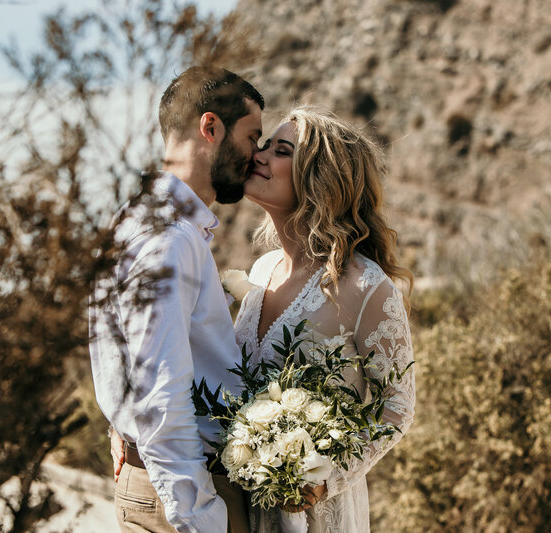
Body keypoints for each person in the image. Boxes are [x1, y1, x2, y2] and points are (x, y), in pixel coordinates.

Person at [89, 66, 264, 533]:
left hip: (163, 485)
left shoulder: (133, 219)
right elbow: (161, 396)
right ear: (211, 128)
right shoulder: (172, 238)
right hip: (189, 497)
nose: (255, 156)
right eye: (252, 137)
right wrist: (202, 519)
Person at [234, 107, 416, 533]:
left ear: (318, 178)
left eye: (280, 151)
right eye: (263, 146)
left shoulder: (365, 287)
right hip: (239, 504)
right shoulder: (260, 272)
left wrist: (322, 480)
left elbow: (396, 407)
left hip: (315, 514)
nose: (258, 157)